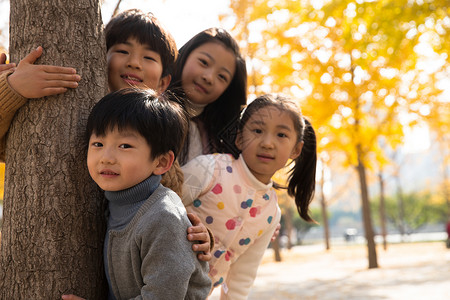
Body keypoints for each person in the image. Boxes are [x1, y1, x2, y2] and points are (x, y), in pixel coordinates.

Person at [0, 9, 211, 258]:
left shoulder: (159, 137)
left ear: (164, 82)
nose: (134, 62)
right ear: (99, 59)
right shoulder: (77, 107)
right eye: (122, 51)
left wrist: (199, 237)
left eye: (149, 57)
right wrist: (12, 87)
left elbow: (169, 211)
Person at [64, 88, 211, 300]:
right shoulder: (115, 204)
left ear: (161, 162)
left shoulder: (163, 217)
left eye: (125, 145)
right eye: (98, 144)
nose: (106, 157)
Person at [181, 94, 317, 299]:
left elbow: (241, 277)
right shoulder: (209, 169)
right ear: (239, 137)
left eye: (281, 135)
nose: (268, 143)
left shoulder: (271, 213)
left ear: (296, 149)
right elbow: (159, 204)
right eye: (257, 130)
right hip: (153, 278)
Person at [168, 27, 247, 165]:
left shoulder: (220, 143)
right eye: (204, 62)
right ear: (185, 55)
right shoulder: (148, 107)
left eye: (222, 76)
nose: (209, 78)